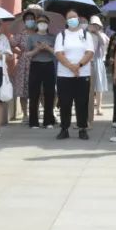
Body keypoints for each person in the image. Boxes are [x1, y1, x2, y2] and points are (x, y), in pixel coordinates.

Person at [54, 9, 95, 140]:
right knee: (65, 102)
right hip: (64, 75)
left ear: (78, 19)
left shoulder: (85, 34)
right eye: (70, 18)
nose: (72, 19)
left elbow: (90, 52)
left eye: (75, 17)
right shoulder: (61, 35)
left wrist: (79, 66)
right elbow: (59, 53)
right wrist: (71, 67)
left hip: (82, 74)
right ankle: (64, 128)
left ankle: (82, 128)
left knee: (82, 102)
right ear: (66, 21)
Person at [25, 14, 57, 129]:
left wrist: (48, 48)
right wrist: (37, 49)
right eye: (39, 22)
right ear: (37, 24)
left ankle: (48, 120)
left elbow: (57, 53)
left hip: (49, 65)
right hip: (35, 65)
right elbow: (27, 54)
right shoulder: (31, 37)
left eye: (44, 22)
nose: (42, 24)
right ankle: (33, 121)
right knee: (34, 93)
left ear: (47, 24)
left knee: (49, 93)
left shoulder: (53, 37)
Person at [11, 9, 39, 122]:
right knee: (23, 90)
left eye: (32, 19)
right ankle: (25, 114)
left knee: (37, 89)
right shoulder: (21, 34)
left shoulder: (39, 33)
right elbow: (11, 45)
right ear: (24, 21)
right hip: (23, 64)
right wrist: (19, 52)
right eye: (27, 19)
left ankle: (35, 113)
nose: (30, 21)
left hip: (37, 62)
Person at [88, 16, 109, 121]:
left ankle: (99, 107)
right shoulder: (86, 34)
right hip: (88, 61)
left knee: (99, 85)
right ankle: (90, 106)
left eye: (96, 25)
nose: (94, 27)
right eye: (92, 24)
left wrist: (97, 33)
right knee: (89, 87)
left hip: (98, 61)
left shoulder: (102, 35)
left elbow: (104, 43)